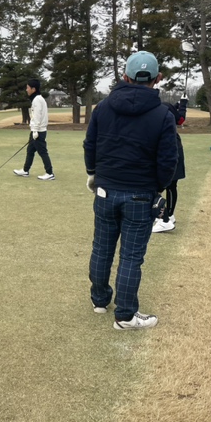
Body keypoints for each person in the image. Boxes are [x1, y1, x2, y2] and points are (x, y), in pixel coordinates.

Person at [83, 52, 178, 330]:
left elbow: (90, 145)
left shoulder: (103, 107)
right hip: (140, 194)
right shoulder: (163, 114)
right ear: (157, 78)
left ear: (125, 76)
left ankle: (100, 300)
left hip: (106, 190)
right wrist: (157, 187)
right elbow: (168, 160)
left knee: (102, 248)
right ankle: (125, 315)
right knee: (131, 257)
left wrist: (93, 173)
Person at [152, 98, 187, 233]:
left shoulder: (161, 107)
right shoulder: (164, 106)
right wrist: (181, 104)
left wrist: (183, 104)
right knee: (167, 185)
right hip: (167, 146)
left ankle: (167, 218)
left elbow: (181, 120)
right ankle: (166, 216)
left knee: (171, 184)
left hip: (172, 148)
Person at [13, 78, 55, 181]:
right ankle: (25, 170)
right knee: (30, 151)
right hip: (36, 130)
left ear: (33, 89)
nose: (26, 90)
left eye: (28, 88)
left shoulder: (37, 100)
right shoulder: (38, 99)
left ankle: (49, 173)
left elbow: (37, 116)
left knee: (42, 152)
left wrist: (35, 130)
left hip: (38, 131)